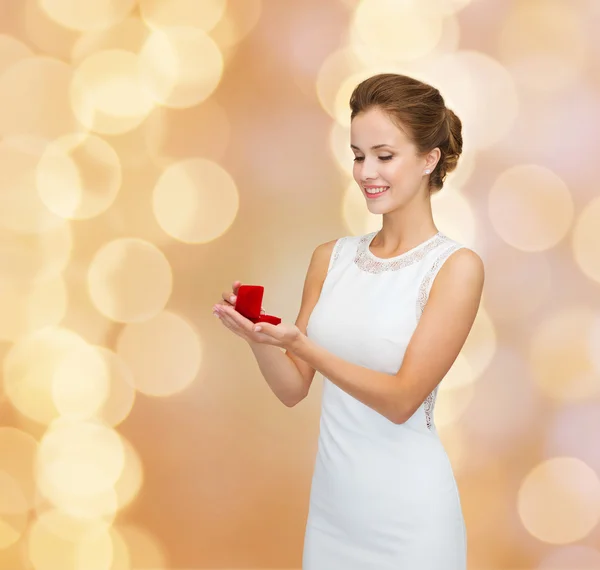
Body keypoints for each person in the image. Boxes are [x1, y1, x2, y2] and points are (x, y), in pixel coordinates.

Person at [213, 73, 484, 569]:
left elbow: (403, 399)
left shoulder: (454, 268)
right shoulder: (330, 258)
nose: (366, 172)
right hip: (334, 517)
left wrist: (307, 346)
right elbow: (295, 388)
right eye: (359, 155)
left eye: (384, 155)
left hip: (411, 520)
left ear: (429, 159)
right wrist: (258, 339)